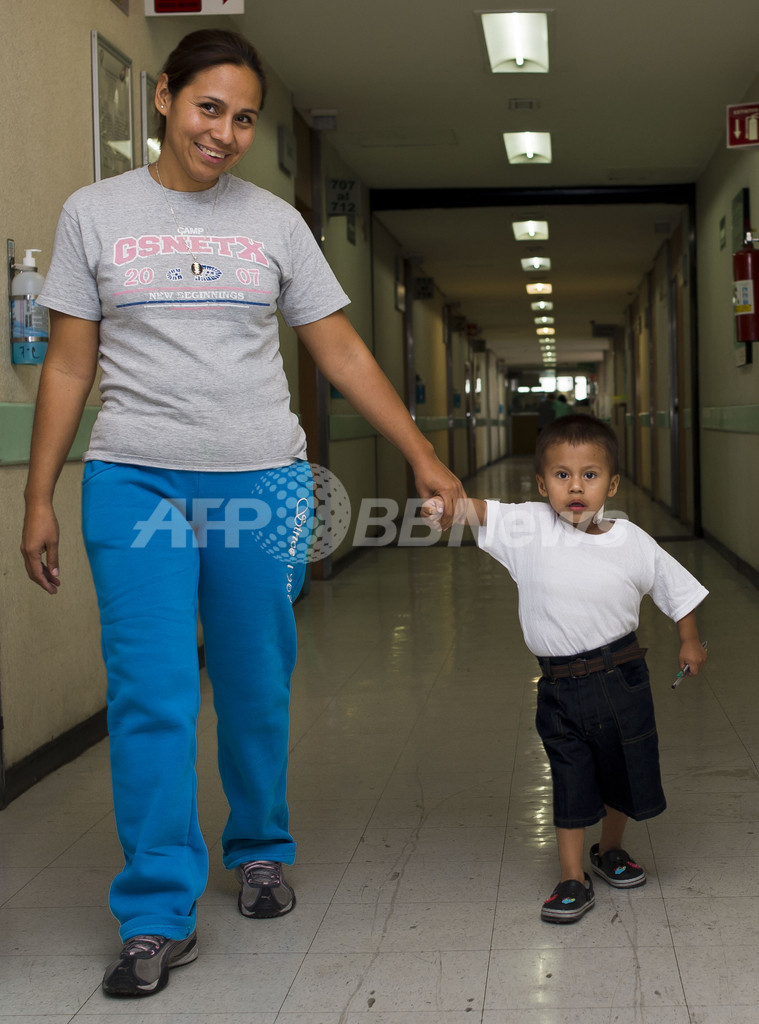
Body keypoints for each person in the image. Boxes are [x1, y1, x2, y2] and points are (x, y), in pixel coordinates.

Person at [20, 29, 464, 997]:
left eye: (245, 117)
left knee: (256, 684)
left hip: (261, 479)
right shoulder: (94, 214)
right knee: (151, 692)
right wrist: (38, 492)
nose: (224, 131)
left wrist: (423, 454)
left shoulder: (273, 222)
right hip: (134, 475)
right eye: (208, 107)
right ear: (164, 99)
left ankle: (259, 846)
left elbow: (339, 352)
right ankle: (153, 911)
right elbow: (67, 361)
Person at [422, 414, 708, 923]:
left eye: (590, 475)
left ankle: (610, 850)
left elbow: (676, 589)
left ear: (612, 484)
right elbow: (477, 510)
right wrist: (444, 505)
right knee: (571, 779)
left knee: (622, 771)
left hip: (622, 678)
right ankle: (571, 877)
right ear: (541, 484)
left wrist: (689, 639)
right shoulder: (529, 526)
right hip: (559, 687)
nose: (575, 486)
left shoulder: (632, 540)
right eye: (561, 475)